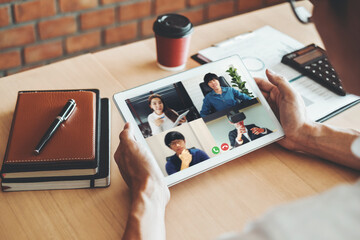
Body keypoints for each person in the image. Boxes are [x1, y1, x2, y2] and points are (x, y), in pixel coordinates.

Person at [114, 1, 360, 239]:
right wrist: (305, 132)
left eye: (316, 5)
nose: (314, 17)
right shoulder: (204, 112)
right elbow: (205, 112)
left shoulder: (322, 222)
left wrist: (148, 191)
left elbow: (242, 100)